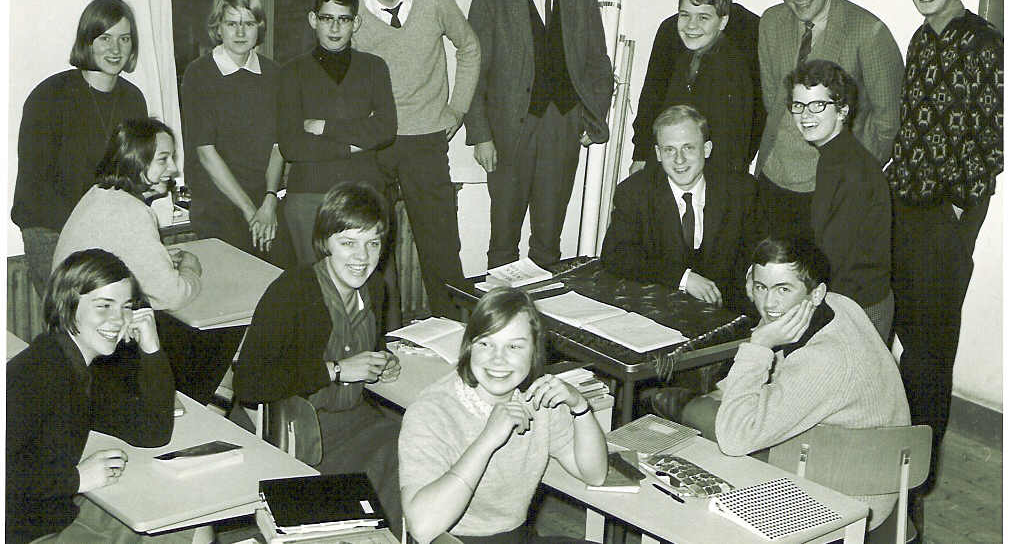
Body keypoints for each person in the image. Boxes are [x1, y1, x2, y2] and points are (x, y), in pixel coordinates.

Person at [672, 236, 909, 530]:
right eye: (761, 287)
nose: (770, 303)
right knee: (711, 408)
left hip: (843, 498)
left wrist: (759, 344)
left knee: (700, 419)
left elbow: (734, 438)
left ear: (816, 293)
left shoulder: (823, 359)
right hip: (872, 471)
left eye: (783, 289)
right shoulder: (839, 304)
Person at [887, 0, 1003, 498]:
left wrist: (957, 208)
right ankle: (892, 458)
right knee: (904, 330)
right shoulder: (918, 38)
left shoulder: (984, 43)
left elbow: (990, 138)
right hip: (905, 201)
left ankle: (920, 478)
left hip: (946, 212)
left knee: (932, 346)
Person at [234, 181, 403, 532]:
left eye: (373, 243)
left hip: (350, 417)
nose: (362, 257)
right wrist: (337, 371)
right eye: (348, 243)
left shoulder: (374, 288)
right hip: (298, 428)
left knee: (415, 440)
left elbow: (363, 342)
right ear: (325, 242)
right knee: (392, 458)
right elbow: (250, 383)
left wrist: (381, 359)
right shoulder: (294, 290)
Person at [465, 0, 614, 270]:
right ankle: (502, 320)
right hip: (508, 133)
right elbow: (474, 74)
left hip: (562, 127)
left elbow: (599, 65)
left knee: (549, 240)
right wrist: (481, 136)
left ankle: (543, 320)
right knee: (503, 240)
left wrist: (590, 120)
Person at [52, 118, 239, 406]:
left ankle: (209, 406)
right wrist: (190, 268)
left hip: (74, 333)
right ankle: (205, 414)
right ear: (136, 161)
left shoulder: (101, 195)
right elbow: (173, 295)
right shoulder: (131, 211)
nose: (174, 169)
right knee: (226, 329)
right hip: (100, 347)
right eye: (164, 159)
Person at [399, 286, 608, 544]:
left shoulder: (537, 399)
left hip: (515, 537)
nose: (498, 360)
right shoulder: (432, 410)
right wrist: (488, 439)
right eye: (486, 343)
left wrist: (579, 405)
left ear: (534, 351)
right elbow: (422, 527)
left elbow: (594, 474)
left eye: (514, 347)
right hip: (451, 539)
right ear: (469, 347)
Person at [6, 248, 187, 544]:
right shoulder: (38, 372)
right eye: (104, 306)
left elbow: (152, 432)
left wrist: (152, 348)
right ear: (68, 304)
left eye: (126, 307)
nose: (118, 319)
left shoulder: (80, 366)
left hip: (56, 512)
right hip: (30, 532)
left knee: (191, 529)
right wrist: (76, 478)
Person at [352, 0, 480, 317]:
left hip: (426, 142)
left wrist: (456, 109)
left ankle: (456, 341)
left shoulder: (436, 0)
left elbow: (470, 49)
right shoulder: (352, 16)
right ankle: (380, 344)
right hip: (376, 146)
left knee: (441, 252)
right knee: (371, 250)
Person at [755, 0, 903, 239]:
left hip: (832, 187)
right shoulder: (770, 22)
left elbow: (888, 123)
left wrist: (853, 177)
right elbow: (773, 100)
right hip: (773, 176)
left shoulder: (868, 32)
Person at [12, 0, 147, 299]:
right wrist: (88, 232)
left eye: (124, 39)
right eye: (105, 38)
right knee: (73, 329)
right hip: (51, 233)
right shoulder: (49, 97)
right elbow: (35, 189)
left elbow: (131, 177)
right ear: (87, 41)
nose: (115, 49)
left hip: (107, 233)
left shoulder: (134, 100)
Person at [278, 0, 396, 265]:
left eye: (343, 19)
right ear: (313, 20)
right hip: (309, 196)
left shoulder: (374, 67)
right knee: (317, 287)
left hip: (364, 191)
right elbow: (292, 146)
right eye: (326, 18)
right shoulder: (291, 72)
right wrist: (354, 145)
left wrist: (324, 127)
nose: (334, 28)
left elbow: (385, 129)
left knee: (370, 285)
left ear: (355, 23)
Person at [181, 0, 295, 268]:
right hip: (218, 207)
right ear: (218, 28)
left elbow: (278, 146)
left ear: (260, 27)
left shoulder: (274, 74)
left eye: (248, 23)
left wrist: (269, 202)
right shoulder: (199, 74)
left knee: (282, 280)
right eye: (232, 23)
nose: (241, 32)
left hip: (264, 202)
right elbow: (206, 153)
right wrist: (250, 212)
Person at [601, 105, 755, 310]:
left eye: (688, 148)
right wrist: (683, 278)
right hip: (660, 307)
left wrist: (755, 274)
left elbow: (758, 248)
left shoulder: (741, 189)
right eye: (669, 150)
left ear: (707, 149)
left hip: (726, 307)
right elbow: (616, 255)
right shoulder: (634, 192)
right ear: (657, 153)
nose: (679, 160)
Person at [631, 0, 761, 174]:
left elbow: (758, 106)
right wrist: (641, 153)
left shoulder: (751, 29)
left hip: (720, 162)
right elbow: (652, 94)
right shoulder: (672, 28)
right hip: (669, 155)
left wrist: (741, 164)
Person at [787, 60, 893, 341]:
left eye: (817, 105)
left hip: (860, 309)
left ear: (842, 111)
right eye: (798, 105)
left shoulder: (851, 170)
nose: (805, 115)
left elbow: (834, 259)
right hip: (849, 298)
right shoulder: (835, 155)